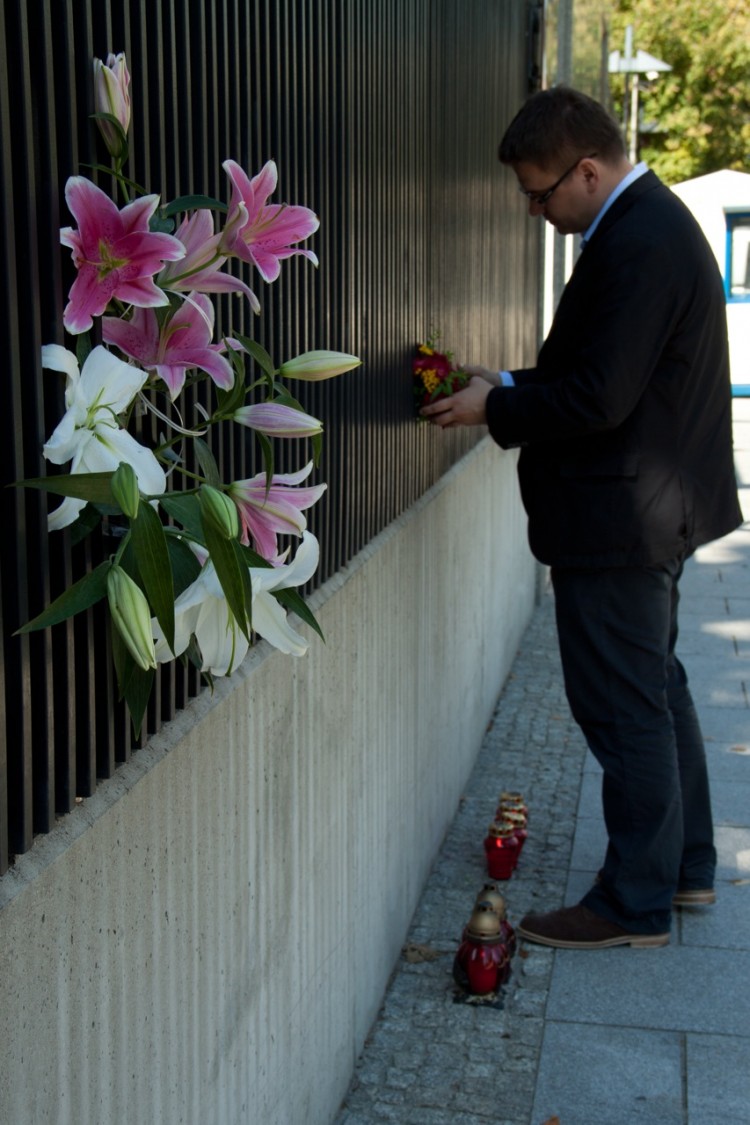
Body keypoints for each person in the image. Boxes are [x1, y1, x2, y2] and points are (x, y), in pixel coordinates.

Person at [422, 86, 742, 949]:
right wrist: (511, 384)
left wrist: (495, 410)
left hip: (622, 521)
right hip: (648, 510)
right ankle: (686, 869)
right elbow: (608, 372)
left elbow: (600, 396)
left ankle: (632, 902)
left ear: (588, 169)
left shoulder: (636, 240)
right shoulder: (652, 223)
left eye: (540, 191)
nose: (534, 209)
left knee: (624, 708)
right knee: (658, 691)